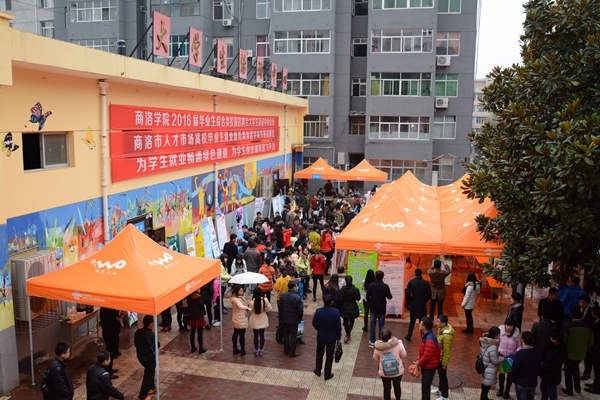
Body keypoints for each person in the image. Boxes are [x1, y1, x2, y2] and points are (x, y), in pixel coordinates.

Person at [562, 306, 594, 396]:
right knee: (576, 368)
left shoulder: (567, 327)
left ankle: (569, 389)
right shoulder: (588, 327)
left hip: (569, 354)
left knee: (568, 371)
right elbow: (591, 342)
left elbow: (563, 341)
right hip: (581, 353)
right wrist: (584, 348)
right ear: (581, 316)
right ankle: (577, 387)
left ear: (571, 316)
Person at [312, 294, 342, 380]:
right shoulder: (336, 312)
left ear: (323, 301)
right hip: (331, 338)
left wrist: (319, 328)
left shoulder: (319, 311)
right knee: (329, 355)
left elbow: (314, 323)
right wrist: (338, 338)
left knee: (319, 353)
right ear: (331, 302)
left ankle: (318, 370)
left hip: (321, 336)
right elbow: (338, 327)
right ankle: (327, 373)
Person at [372, 327, 407, 400]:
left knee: (386, 388)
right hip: (397, 371)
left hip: (384, 372)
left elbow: (375, 358)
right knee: (397, 386)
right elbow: (404, 355)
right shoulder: (397, 344)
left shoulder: (378, 347)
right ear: (391, 335)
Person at [511, 331, 542, 400]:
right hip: (532, 382)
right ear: (533, 341)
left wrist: (512, 378)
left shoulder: (519, 354)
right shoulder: (538, 353)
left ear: (522, 340)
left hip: (521, 382)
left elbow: (515, 368)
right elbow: (539, 367)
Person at [134, 315, 159, 400]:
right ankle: (142, 395)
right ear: (150, 324)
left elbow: (136, 344)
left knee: (150, 371)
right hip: (149, 358)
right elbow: (157, 345)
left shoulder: (138, 332)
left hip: (140, 356)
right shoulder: (150, 335)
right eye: (153, 322)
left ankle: (152, 387)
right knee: (148, 375)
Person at [415, 317, 440, 400]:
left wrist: (419, 363)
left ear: (424, 327)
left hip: (429, 367)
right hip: (427, 365)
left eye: (421, 324)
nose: (419, 325)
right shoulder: (426, 335)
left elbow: (427, 356)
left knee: (425, 387)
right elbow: (422, 351)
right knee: (425, 386)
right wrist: (418, 359)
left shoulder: (429, 339)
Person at [539, 328, 568, 400]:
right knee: (543, 388)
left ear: (555, 340)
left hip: (553, 375)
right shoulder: (550, 345)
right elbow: (544, 353)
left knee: (552, 392)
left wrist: (542, 367)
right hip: (545, 374)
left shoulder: (561, 350)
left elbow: (555, 364)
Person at [367, 270, 393, 347]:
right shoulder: (385, 286)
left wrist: (371, 302)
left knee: (372, 325)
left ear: (376, 276)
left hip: (373, 307)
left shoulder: (371, 285)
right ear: (383, 277)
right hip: (382, 307)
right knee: (381, 326)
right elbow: (390, 297)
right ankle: (381, 340)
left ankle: (372, 341)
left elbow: (367, 296)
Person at [497, 318, 522, 399]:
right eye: (507, 325)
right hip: (501, 357)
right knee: (501, 375)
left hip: (511, 359)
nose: (508, 327)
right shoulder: (500, 332)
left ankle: (507, 391)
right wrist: (498, 352)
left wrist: (515, 352)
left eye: (511, 326)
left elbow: (519, 346)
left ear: (513, 326)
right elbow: (496, 343)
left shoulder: (517, 335)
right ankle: (501, 389)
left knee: (510, 376)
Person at [405, 268, 431, 342]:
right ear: (421, 274)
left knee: (412, 321)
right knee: (422, 321)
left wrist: (411, 300)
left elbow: (407, 293)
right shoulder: (426, 283)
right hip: (422, 304)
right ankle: (423, 337)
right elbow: (429, 295)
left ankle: (409, 335)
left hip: (414, 303)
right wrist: (424, 300)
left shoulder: (411, 282)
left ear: (415, 274)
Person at [279, 281, 304, 357]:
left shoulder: (282, 296)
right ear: (294, 287)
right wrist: (300, 317)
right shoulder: (297, 298)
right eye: (296, 286)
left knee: (286, 335)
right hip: (294, 320)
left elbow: (280, 308)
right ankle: (292, 352)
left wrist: (281, 318)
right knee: (293, 336)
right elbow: (300, 310)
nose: (297, 287)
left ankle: (286, 350)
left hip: (285, 319)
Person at [432, 314, 454, 400]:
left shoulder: (447, 336)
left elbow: (447, 351)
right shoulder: (441, 330)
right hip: (438, 357)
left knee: (443, 377)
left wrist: (444, 363)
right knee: (440, 375)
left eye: (438, 322)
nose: (436, 323)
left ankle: (445, 395)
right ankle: (440, 389)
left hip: (441, 359)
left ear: (443, 323)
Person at [479, 327, 505, 400]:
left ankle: (484, 398)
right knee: (487, 385)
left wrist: (498, 353)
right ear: (495, 335)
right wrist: (503, 359)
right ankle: (484, 398)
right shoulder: (493, 346)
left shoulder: (484, 342)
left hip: (485, 366)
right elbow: (495, 361)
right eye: (498, 334)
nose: (499, 335)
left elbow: (488, 353)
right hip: (490, 368)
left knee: (485, 384)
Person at [249, 287, 272, 356]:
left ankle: (256, 349)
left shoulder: (252, 302)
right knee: (262, 335)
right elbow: (269, 309)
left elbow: (250, 310)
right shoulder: (265, 300)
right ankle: (261, 349)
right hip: (263, 318)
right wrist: (264, 310)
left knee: (255, 335)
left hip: (254, 319)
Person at [230, 284, 252, 356]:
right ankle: (242, 350)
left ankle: (235, 348)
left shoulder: (234, 298)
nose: (242, 292)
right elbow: (240, 306)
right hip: (241, 318)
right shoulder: (236, 300)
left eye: (242, 290)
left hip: (236, 317)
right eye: (240, 290)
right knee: (241, 334)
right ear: (237, 291)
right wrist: (247, 308)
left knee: (235, 333)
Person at [99, 307, 121, 378]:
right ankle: (108, 371)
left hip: (112, 332)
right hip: (109, 333)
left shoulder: (109, 308)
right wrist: (117, 318)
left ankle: (109, 369)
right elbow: (111, 321)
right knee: (110, 352)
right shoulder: (105, 310)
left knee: (112, 351)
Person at [339, 275, 361, 343]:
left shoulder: (342, 289)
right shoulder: (355, 289)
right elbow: (358, 298)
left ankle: (347, 333)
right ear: (352, 281)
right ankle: (348, 334)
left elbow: (340, 299)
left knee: (345, 321)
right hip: (353, 306)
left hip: (344, 307)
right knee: (352, 321)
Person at [584, 306, 600, 395]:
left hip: (597, 351)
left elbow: (597, 339)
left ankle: (597, 388)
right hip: (596, 350)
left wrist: (593, 351)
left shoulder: (598, 325)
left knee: (598, 369)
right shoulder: (596, 322)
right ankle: (595, 384)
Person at [186, 288, 207, 354]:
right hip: (199, 317)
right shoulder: (198, 298)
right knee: (200, 333)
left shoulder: (189, 297)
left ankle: (193, 347)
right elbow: (202, 307)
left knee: (192, 332)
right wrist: (204, 313)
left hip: (192, 316)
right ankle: (201, 348)